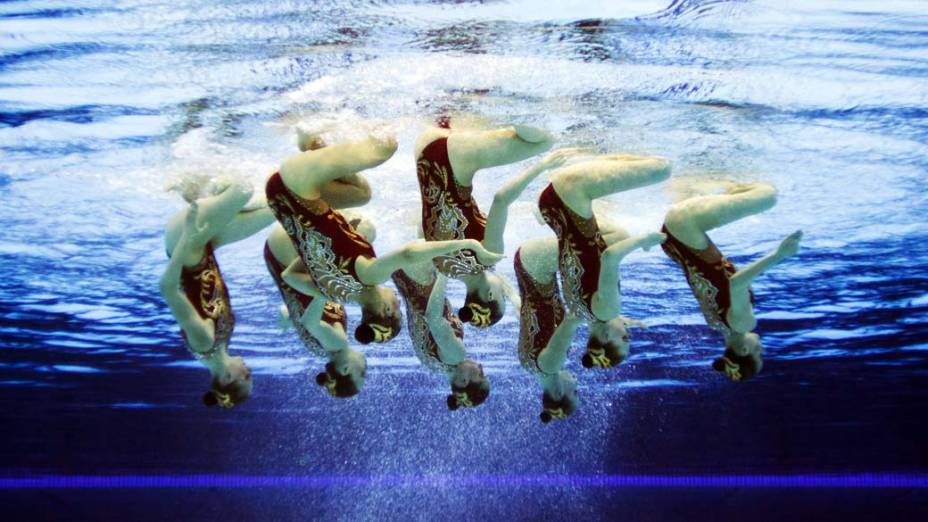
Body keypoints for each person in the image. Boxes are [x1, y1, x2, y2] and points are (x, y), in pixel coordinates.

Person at [267, 130, 504, 344]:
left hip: (296, 185)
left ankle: (314, 135)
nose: (400, 304)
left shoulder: (371, 276)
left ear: (386, 311)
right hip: (279, 199)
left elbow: (408, 254)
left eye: (397, 310)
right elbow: (290, 276)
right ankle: (316, 145)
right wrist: (315, 255)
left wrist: (466, 243)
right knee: (361, 195)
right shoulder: (332, 294)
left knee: (385, 146)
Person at [415, 119, 575, 329]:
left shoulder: (488, 255)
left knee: (544, 142)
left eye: (502, 298)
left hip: (448, 158)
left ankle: (508, 112)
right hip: (423, 157)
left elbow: (501, 199)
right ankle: (447, 120)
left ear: (490, 294)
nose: (504, 292)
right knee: (466, 124)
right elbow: (423, 226)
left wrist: (542, 167)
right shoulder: (444, 267)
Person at [539, 154, 671, 369]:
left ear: (608, 334)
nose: (628, 333)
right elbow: (596, 298)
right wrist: (616, 316)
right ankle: (590, 158)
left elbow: (611, 258)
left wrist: (644, 241)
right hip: (551, 208)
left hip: (572, 191)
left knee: (662, 168)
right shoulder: (580, 313)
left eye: (625, 338)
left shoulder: (607, 310)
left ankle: (589, 157)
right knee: (619, 235)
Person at [661, 182, 802, 381]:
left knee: (768, 196)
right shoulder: (716, 325)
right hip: (675, 240)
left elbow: (737, 283)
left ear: (744, 349)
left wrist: (780, 254)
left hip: (687, 225)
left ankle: (725, 181)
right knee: (697, 182)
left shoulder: (743, 324)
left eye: (759, 353)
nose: (762, 348)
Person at [160, 178, 276, 408]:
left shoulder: (203, 343)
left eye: (247, 376)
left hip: (186, 243)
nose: (249, 370)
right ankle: (200, 194)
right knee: (280, 208)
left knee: (243, 188)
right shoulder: (220, 344)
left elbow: (167, 288)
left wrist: (188, 237)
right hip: (205, 247)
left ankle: (201, 192)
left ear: (227, 378)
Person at [266, 222, 369, 398]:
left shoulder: (337, 342)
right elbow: (295, 313)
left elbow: (309, 322)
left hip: (288, 254)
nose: (365, 369)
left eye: (362, 374)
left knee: (366, 231)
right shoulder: (319, 348)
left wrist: (323, 293)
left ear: (345, 369)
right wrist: (285, 317)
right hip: (277, 257)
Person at [392, 263, 490, 410]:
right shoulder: (434, 366)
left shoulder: (456, 355)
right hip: (405, 279)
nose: (481, 367)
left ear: (464, 381)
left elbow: (433, 316)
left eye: (481, 374)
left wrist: (444, 272)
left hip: (421, 276)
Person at [513, 238, 581, 423]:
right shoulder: (528, 365)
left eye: (575, 391)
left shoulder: (552, 365)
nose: (577, 384)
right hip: (526, 267)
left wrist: (604, 318)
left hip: (538, 267)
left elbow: (573, 319)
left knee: (600, 246)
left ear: (559, 392)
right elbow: (528, 316)